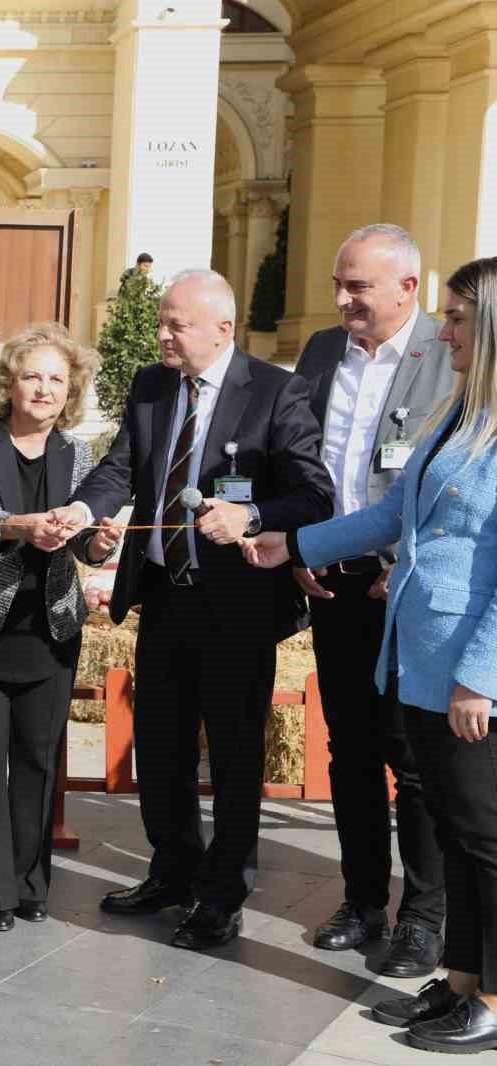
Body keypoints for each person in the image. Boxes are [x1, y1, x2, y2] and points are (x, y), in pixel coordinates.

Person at [244, 257, 497, 1055]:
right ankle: (459, 982)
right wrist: (295, 542)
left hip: (467, 676)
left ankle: (491, 998)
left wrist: (480, 678)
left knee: (486, 839)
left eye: (457, 319)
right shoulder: (463, 415)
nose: (444, 332)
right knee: (458, 834)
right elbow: (393, 512)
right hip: (420, 660)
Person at [55, 269, 333, 950]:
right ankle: (172, 868)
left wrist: (253, 513)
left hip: (237, 606)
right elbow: (122, 467)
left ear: (222, 329)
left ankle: (224, 890)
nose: (162, 335)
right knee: (161, 743)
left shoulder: (276, 391)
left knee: (235, 754)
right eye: (161, 323)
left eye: (176, 324)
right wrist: (85, 508)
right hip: (162, 596)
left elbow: (314, 496)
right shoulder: (153, 385)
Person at [291, 224, 455, 975]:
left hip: (407, 589)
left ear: (407, 288)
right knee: (348, 746)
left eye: (357, 286)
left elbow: (457, 478)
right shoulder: (325, 351)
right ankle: (363, 902)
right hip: (335, 581)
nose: (342, 299)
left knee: (411, 754)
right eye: (339, 283)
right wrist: (301, 548)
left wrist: (403, 559)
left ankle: (425, 916)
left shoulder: (447, 359)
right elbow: (300, 461)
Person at [0, 323, 119, 932]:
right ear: (11, 382)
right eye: (32, 375)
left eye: (56, 379)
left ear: (71, 391)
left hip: (51, 626)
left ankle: (33, 883)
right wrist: (23, 525)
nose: (43, 388)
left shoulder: (77, 453)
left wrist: (98, 542)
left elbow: (81, 543)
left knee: (38, 758)